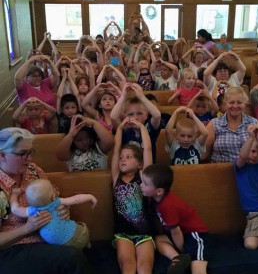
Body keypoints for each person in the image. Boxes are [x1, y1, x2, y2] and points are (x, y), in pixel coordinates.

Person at [0, 127, 92, 273]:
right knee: (71, 258)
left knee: (83, 248)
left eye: (30, 152)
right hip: (13, 248)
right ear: (2, 155)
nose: (29, 159)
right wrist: (27, 228)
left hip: (47, 238)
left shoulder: (33, 170)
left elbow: (53, 198)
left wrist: (63, 209)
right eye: (22, 154)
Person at [141, 164, 209, 274]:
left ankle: (184, 256)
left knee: (197, 266)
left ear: (159, 191)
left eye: (145, 184)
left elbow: (176, 233)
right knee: (159, 239)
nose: (141, 185)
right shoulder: (156, 198)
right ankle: (178, 258)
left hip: (195, 234)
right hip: (182, 234)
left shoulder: (168, 205)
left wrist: (183, 249)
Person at [111, 117, 154, 274]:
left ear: (139, 164)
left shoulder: (143, 178)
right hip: (123, 234)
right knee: (128, 265)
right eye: (122, 158)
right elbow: (116, 149)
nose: (123, 160)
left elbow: (147, 149)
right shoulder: (116, 178)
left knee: (144, 267)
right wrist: (120, 129)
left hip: (145, 233)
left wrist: (142, 127)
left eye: (129, 157)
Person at [10, 179, 97, 249]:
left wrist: (14, 195)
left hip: (56, 246)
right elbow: (75, 199)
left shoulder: (33, 211)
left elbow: (15, 209)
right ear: (53, 196)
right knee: (81, 228)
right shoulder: (56, 202)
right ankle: (87, 243)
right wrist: (90, 196)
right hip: (78, 236)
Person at [205, 86, 258, 163]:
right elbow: (204, 153)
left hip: (247, 170)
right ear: (225, 104)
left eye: (239, 102)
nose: (235, 106)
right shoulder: (214, 124)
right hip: (221, 170)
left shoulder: (254, 122)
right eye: (231, 102)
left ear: (244, 104)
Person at [110, 83, 161, 162]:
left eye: (139, 113)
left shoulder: (149, 128)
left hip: (147, 171)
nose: (135, 117)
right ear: (125, 116)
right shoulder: (124, 129)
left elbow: (157, 115)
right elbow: (113, 117)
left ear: (146, 115)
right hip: (128, 169)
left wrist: (141, 96)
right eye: (130, 114)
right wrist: (123, 96)